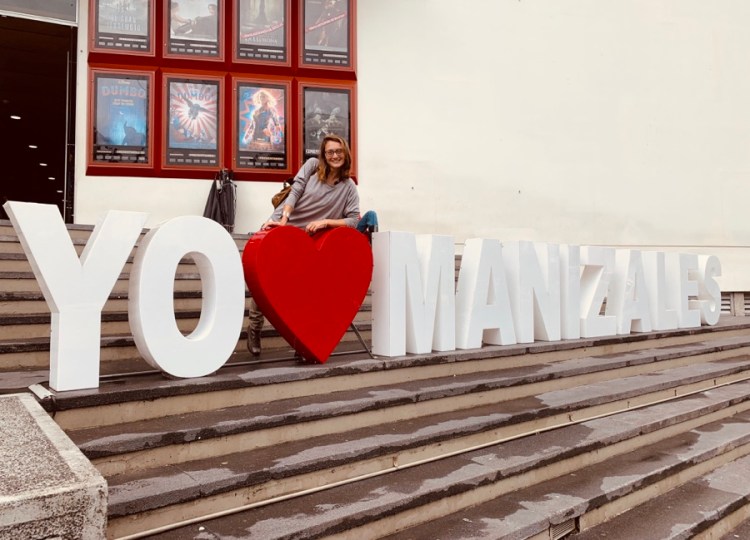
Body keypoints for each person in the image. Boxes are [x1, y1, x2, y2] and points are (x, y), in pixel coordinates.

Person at [247, 134, 360, 356]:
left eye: (339, 151)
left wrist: (326, 222)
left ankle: (301, 340)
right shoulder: (312, 166)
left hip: (308, 241)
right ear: (324, 155)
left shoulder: (349, 187)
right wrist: (283, 220)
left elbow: (354, 220)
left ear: (345, 154)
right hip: (283, 227)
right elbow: (296, 190)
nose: (335, 156)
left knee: (300, 290)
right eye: (330, 152)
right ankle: (254, 328)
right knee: (266, 278)